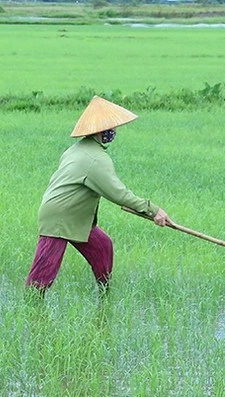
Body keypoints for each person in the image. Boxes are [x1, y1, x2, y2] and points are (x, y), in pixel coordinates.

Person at [26, 96, 173, 297]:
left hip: (75, 217)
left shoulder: (77, 149)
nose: (114, 132)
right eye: (111, 128)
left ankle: (105, 293)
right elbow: (119, 194)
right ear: (99, 131)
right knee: (43, 273)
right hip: (59, 218)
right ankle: (31, 305)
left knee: (103, 246)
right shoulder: (96, 159)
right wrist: (153, 210)